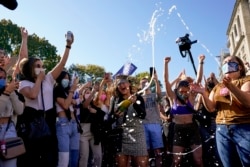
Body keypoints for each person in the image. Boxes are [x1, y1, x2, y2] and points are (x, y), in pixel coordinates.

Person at [17, 29, 74, 167]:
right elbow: (33, 95)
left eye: (42, 66)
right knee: (32, 158)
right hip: (32, 120)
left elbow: (61, 64)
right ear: (30, 68)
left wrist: (68, 45)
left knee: (49, 158)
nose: (41, 68)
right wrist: (39, 80)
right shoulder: (24, 83)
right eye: (38, 66)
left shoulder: (48, 79)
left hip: (48, 119)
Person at [191, 55, 250, 167]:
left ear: (240, 67)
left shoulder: (246, 80)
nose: (227, 64)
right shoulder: (218, 87)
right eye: (225, 62)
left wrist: (231, 87)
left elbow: (247, 102)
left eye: (231, 61)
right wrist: (203, 93)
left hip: (243, 127)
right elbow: (211, 108)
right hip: (222, 130)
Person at [164, 57, 203, 167]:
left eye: (186, 91)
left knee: (198, 161)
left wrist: (200, 62)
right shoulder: (173, 98)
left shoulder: (191, 97)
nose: (184, 93)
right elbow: (166, 81)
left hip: (192, 129)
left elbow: (198, 79)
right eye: (181, 91)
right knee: (176, 162)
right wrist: (166, 64)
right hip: (178, 130)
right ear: (177, 90)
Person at [109, 75, 148, 167]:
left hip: (137, 134)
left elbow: (143, 115)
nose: (122, 85)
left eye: (124, 82)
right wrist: (114, 116)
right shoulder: (114, 99)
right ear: (117, 87)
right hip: (121, 136)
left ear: (129, 84)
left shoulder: (138, 97)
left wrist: (135, 104)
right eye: (119, 84)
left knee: (141, 165)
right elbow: (109, 118)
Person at [53, 70, 79, 167]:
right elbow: (66, 105)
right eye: (65, 78)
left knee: (74, 156)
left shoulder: (66, 92)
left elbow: (75, 103)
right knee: (64, 158)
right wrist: (72, 91)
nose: (67, 80)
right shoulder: (57, 90)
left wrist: (71, 95)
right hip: (63, 124)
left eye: (68, 78)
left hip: (73, 124)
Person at [0, 67, 24, 167]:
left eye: (4, 78)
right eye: (0, 77)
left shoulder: (9, 92)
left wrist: (12, 92)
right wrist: (5, 94)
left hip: (9, 131)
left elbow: (19, 110)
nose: (2, 80)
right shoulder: (5, 94)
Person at [139, 73, 164, 167]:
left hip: (155, 124)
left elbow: (159, 95)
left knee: (158, 151)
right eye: (142, 83)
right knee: (145, 151)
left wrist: (156, 81)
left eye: (146, 82)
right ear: (140, 85)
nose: (145, 84)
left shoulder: (153, 95)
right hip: (143, 125)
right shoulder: (139, 97)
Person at [79, 83, 106, 167]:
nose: (89, 94)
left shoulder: (95, 105)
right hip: (83, 133)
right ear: (83, 95)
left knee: (98, 156)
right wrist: (94, 91)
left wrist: (96, 112)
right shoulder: (80, 105)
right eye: (86, 93)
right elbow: (85, 105)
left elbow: (102, 115)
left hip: (95, 133)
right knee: (84, 156)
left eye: (89, 92)